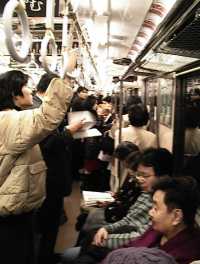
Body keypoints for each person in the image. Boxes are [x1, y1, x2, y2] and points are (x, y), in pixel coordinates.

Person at [0, 70, 73, 264]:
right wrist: (66, 74)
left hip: (15, 207)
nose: (31, 90)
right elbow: (46, 118)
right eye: (26, 86)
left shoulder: (11, 118)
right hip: (10, 214)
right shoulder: (7, 120)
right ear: (14, 94)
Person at [61, 148, 173, 263]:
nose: (139, 179)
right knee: (89, 230)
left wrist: (105, 238)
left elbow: (140, 236)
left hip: (131, 247)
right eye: (138, 174)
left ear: (163, 176)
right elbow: (129, 218)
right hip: (124, 235)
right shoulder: (146, 192)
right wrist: (106, 229)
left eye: (145, 176)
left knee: (89, 234)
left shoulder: (163, 202)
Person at [32, 73, 84, 264]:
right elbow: (48, 143)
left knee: (49, 223)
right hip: (47, 176)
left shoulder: (44, 109)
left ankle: (46, 255)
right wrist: (70, 131)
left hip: (50, 176)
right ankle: (43, 257)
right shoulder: (37, 110)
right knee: (46, 223)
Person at [102, 176, 200, 264]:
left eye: (156, 208)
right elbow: (128, 247)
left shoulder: (187, 255)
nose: (150, 212)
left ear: (176, 217)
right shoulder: (157, 230)